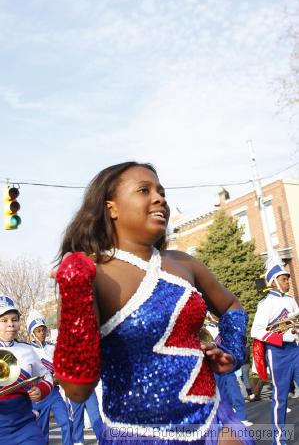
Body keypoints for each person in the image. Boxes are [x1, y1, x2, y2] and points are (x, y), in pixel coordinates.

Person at [53, 161, 254, 444]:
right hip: (138, 435)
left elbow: (232, 306)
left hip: (214, 422)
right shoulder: (90, 273)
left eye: (161, 191)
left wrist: (230, 351)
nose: (159, 198)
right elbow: (76, 389)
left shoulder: (184, 263)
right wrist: (75, 291)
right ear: (111, 208)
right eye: (144, 190)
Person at [251, 256, 299, 445]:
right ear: (273, 282)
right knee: (280, 398)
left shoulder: (291, 300)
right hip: (277, 353)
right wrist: (280, 337)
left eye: (287, 278)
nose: (287, 281)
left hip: (295, 349)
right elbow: (256, 331)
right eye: (283, 279)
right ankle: (279, 440)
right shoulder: (265, 304)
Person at [0, 295, 53, 445]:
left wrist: (40, 390)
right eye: (4, 320)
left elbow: (46, 377)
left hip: (24, 425)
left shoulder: (27, 350)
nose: (11, 324)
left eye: (14, 319)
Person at [27, 310, 72, 445]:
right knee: (42, 433)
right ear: (32, 333)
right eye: (38, 330)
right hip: (39, 395)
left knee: (67, 423)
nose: (42, 333)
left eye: (43, 330)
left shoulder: (53, 348)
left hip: (54, 393)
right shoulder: (28, 351)